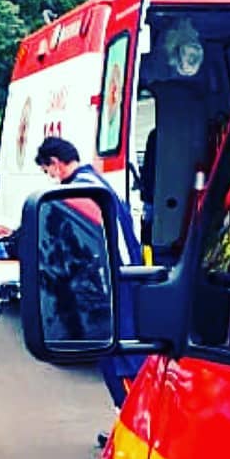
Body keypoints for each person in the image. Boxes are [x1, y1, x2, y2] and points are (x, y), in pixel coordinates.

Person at [35, 136, 144, 432]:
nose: (50, 178)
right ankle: (127, 425)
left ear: (56, 164)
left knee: (120, 359)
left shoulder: (78, 192)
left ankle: (135, 428)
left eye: (47, 171)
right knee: (120, 355)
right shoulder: (96, 183)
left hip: (113, 286)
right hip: (122, 280)